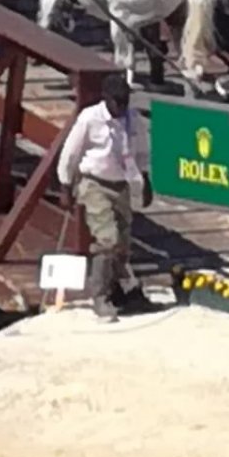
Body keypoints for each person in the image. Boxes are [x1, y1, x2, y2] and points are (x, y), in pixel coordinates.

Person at [57, 71, 152, 322]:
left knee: (122, 242)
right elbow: (70, 153)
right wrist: (65, 185)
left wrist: (145, 181)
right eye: (117, 101)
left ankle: (122, 290)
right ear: (106, 98)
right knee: (107, 239)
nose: (122, 106)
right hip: (94, 183)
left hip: (121, 183)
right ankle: (99, 296)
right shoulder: (90, 119)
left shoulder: (134, 119)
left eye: (125, 101)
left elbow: (141, 151)